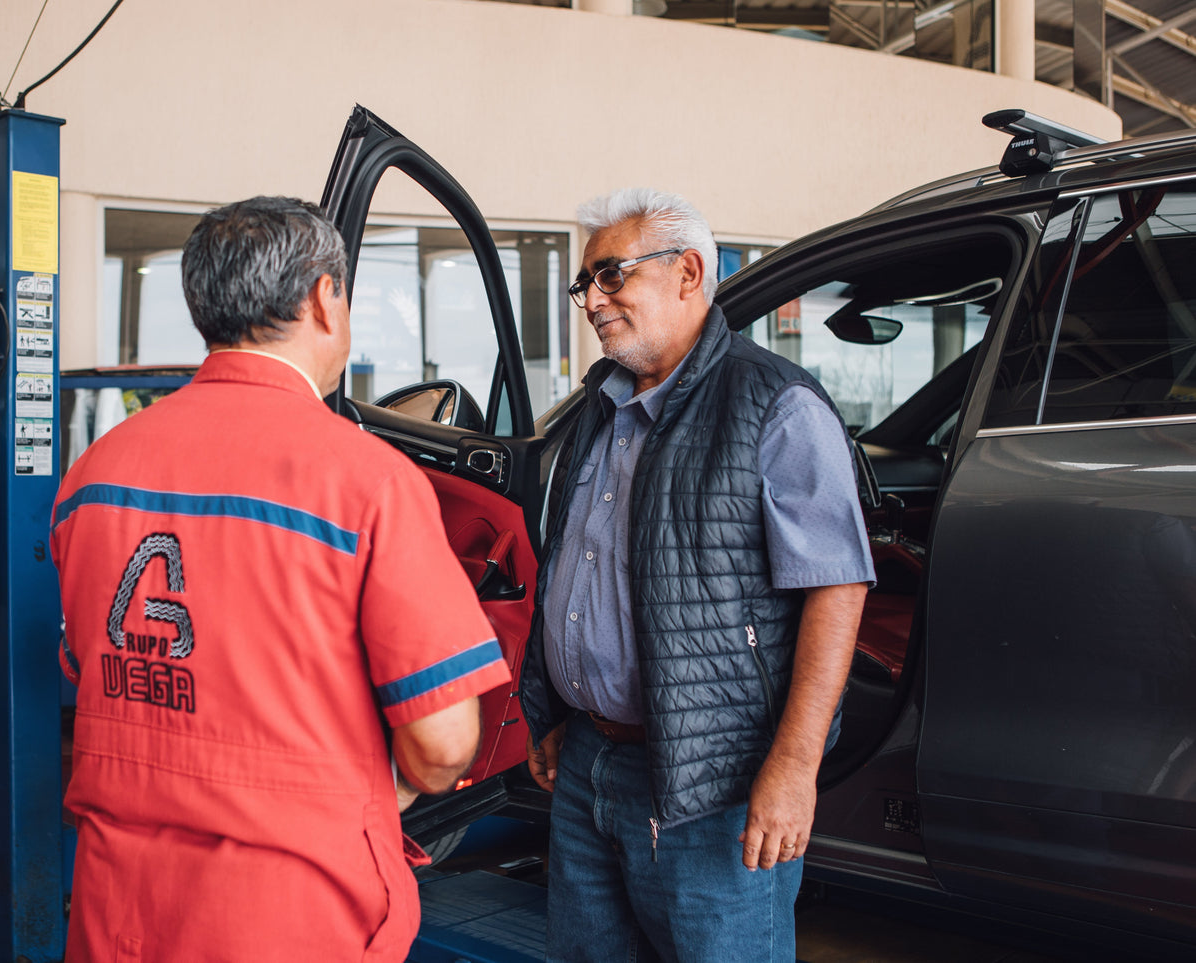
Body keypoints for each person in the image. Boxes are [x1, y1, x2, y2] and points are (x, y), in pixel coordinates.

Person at [52, 196, 511, 962]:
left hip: (117, 905)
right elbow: (441, 744)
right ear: (324, 299)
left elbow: (98, 671)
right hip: (292, 909)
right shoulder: (367, 480)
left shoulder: (95, 473)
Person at [520, 189, 873, 962]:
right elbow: (568, 571)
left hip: (712, 777)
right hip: (587, 762)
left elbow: (836, 586)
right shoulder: (597, 410)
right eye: (585, 285)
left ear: (687, 272)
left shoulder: (774, 404)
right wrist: (549, 704)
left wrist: (792, 766)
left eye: (611, 276)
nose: (592, 301)